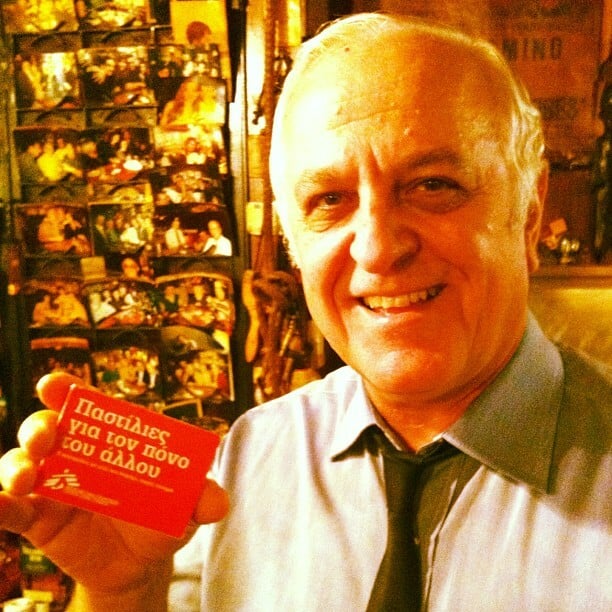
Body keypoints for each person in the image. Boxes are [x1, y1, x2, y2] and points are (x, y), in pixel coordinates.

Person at [1, 13, 611, 612]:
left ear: (529, 214)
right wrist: (122, 594)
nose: (377, 248)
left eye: (433, 185)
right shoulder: (246, 460)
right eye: (329, 200)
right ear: (293, 247)